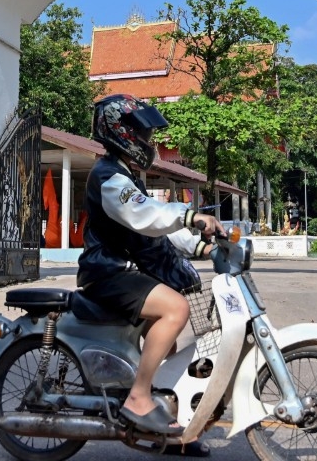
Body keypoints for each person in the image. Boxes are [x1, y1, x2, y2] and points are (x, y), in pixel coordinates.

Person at [78, 94, 223, 446]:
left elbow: (158, 231)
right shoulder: (109, 178)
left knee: (168, 345)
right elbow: (147, 216)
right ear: (120, 132)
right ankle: (139, 397)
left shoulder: (126, 176)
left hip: (125, 271)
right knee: (176, 308)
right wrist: (191, 215)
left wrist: (205, 246)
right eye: (143, 134)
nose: (149, 142)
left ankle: (162, 424)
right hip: (107, 273)